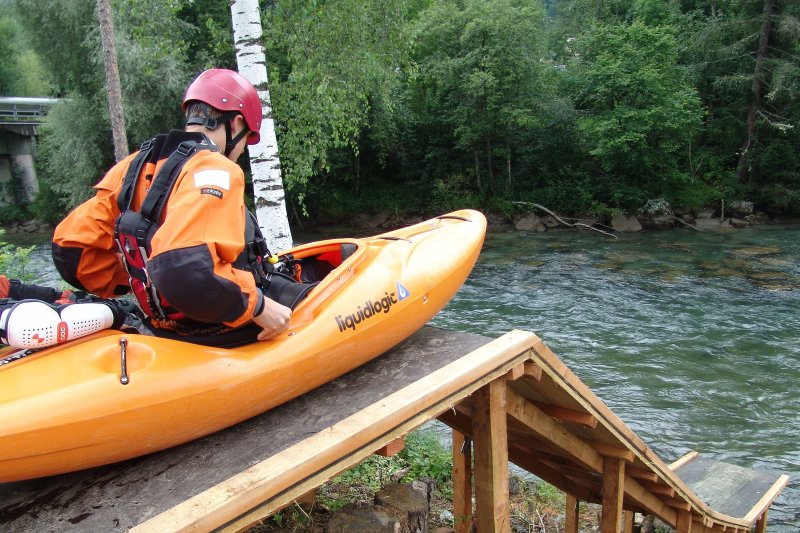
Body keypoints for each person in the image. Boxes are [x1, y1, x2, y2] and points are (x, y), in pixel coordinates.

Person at [51, 69, 293, 344]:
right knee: (311, 292)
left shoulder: (133, 166)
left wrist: (139, 277)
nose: (240, 152)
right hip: (226, 330)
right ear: (236, 124)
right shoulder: (217, 169)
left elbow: (71, 250)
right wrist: (258, 306)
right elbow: (185, 269)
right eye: (246, 140)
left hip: (162, 327)